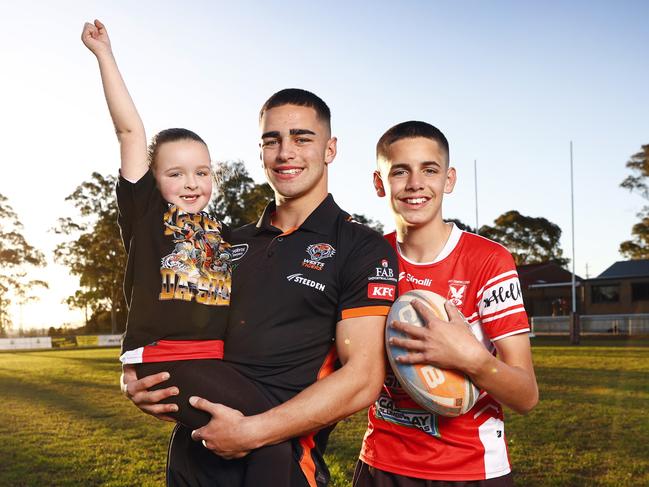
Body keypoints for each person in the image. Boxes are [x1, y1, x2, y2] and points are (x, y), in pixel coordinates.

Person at [121, 88, 400, 486]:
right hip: (192, 462)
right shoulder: (226, 243)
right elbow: (167, 315)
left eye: (302, 138)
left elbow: (363, 378)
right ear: (261, 150)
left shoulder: (359, 247)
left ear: (330, 149)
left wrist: (253, 432)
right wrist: (135, 378)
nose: (286, 152)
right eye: (273, 140)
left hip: (280, 466)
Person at [81, 19, 293, 486]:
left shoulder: (219, 233)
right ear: (153, 180)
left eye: (202, 172)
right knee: (271, 440)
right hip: (167, 359)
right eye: (175, 173)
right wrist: (104, 55)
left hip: (211, 361)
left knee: (265, 439)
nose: (191, 183)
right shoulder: (147, 217)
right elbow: (130, 133)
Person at [355, 121, 539, 486]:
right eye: (400, 171)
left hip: (469, 469)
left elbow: (526, 395)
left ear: (449, 179)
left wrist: (470, 358)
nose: (415, 184)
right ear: (379, 182)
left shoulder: (489, 260)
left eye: (430, 170)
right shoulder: (368, 259)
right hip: (381, 465)